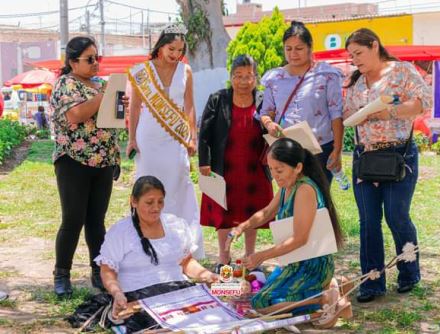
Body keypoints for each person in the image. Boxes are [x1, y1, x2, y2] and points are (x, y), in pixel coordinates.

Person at [343, 28, 432, 303]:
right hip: (365, 157)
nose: (355, 60)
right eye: (351, 56)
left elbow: (424, 101)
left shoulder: (402, 71)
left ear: (375, 46)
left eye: (358, 53)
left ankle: (409, 272)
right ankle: (372, 282)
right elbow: (347, 113)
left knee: (396, 216)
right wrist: (356, 117)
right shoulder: (356, 82)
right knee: (368, 221)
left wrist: (390, 111)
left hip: (398, 156)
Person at [226, 138, 350, 328]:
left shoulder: (305, 190)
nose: (275, 175)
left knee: (265, 304)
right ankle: (334, 285)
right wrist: (241, 227)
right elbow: (267, 212)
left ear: (298, 167)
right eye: (271, 169)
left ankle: (325, 298)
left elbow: (300, 239)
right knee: (259, 300)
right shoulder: (287, 187)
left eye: (279, 170)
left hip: (311, 263)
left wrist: (262, 256)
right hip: (294, 261)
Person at [50, 36, 125, 297]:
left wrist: (119, 106)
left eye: (97, 58)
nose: (96, 63)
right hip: (73, 161)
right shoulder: (64, 84)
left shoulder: (101, 84)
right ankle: (62, 275)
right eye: (89, 59)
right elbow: (76, 115)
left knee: (96, 221)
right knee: (73, 219)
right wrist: (105, 96)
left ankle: (98, 273)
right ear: (72, 62)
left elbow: (113, 124)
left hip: (103, 161)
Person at [95, 176, 218, 332]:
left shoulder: (175, 225)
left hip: (177, 290)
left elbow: (186, 262)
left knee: (209, 314)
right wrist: (117, 293)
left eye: (160, 201)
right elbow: (107, 270)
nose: (156, 207)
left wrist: (207, 275)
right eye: (149, 202)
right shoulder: (121, 232)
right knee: (156, 326)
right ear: (133, 201)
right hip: (137, 296)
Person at [127, 22, 204, 259]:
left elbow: (189, 106)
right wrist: (131, 138)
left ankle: (183, 246)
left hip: (175, 139)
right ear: (161, 46)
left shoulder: (186, 71)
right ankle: (147, 243)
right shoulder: (142, 72)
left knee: (179, 186)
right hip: (148, 138)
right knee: (147, 186)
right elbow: (135, 108)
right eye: (172, 49)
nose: (176, 55)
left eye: (180, 50)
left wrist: (193, 136)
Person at [198, 55, 273, 271]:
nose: (243, 81)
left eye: (248, 76)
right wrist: (205, 162)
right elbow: (205, 132)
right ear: (231, 77)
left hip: (254, 167)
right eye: (238, 76)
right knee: (224, 213)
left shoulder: (262, 99)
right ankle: (224, 258)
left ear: (255, 78)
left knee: (253, 212)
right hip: (224, 167)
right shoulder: (218, 99)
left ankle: (250, 258)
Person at [259, 21, 344, 184]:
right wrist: (269, 125)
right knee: (290, 198)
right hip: (286, 150)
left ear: (310, 48)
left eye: (299, 48)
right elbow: (266, 112)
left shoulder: (326, 74)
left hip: (320, 150)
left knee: (319, 200)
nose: (293, 54)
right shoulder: (274, 78)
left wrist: (337, 148)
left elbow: (336, 113)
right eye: (288, 49)